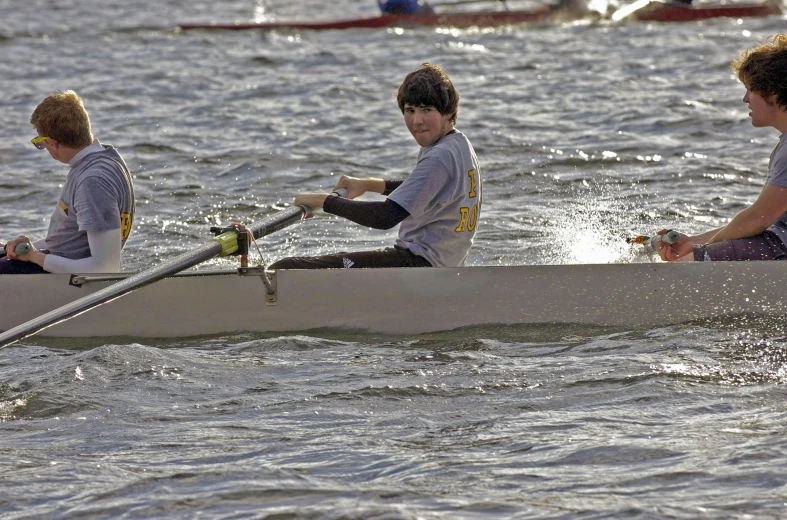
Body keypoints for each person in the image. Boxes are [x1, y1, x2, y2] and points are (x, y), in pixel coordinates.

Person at [271, 63, 481, 270]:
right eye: (410, 110)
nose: (416, 121)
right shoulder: (458, 145)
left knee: (286, 268)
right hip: (445, 265)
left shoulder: (439, 156)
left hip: (420, 264)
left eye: (426, 110)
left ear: (449, 112)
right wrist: (370, 185)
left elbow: (385, 216)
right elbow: (423, 188)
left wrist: (323, 201)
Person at [658, 34, 787, 262]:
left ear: (773, 93)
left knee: (684, 264)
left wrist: (698, 250)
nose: (745, 99)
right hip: (776, 241)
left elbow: (759, 218)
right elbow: (755, 223)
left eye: (750, 90)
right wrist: (694, 242)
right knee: (683, 257)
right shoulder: (782, 146)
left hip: (779, 247)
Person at [0, 90, 135, 274]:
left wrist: (34, 256)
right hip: (60, 265)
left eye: (40, 143)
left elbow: (105, 268)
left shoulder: (92, 181)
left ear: (52, 142)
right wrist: (19, 248)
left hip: (68, 282)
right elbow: (70, 244)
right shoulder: (107, 158)